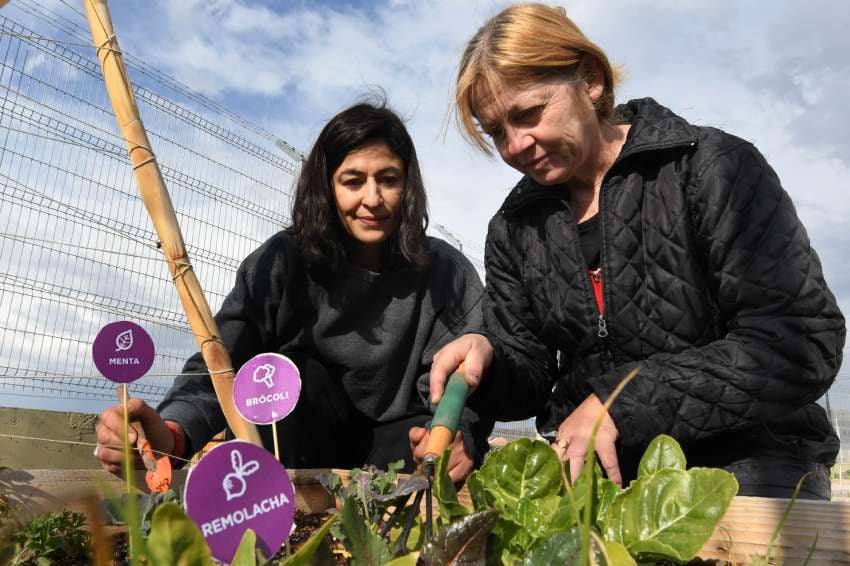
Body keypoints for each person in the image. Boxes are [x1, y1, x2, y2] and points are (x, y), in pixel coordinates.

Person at [430, 3, 845, 499]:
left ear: (590, 81)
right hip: (601, 465)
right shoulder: (515, 227)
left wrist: (622, 403)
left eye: (529, 114)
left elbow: (798, 341)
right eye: (496, 130)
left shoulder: (708, 168)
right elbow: (532, 375)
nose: (516, 145)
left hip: (748, 455)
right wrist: (491, 358)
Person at [96, 101, 493, 482]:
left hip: (399, 448)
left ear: (408, 186)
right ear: (326, 186)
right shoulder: (281, 263)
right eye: (352, 181)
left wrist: (461, 438)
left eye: (388, 179)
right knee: (290, 375)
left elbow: (463, 384)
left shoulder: (445, 273)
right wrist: (172, 434)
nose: (372, 199)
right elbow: (223, 363)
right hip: (296, 446)